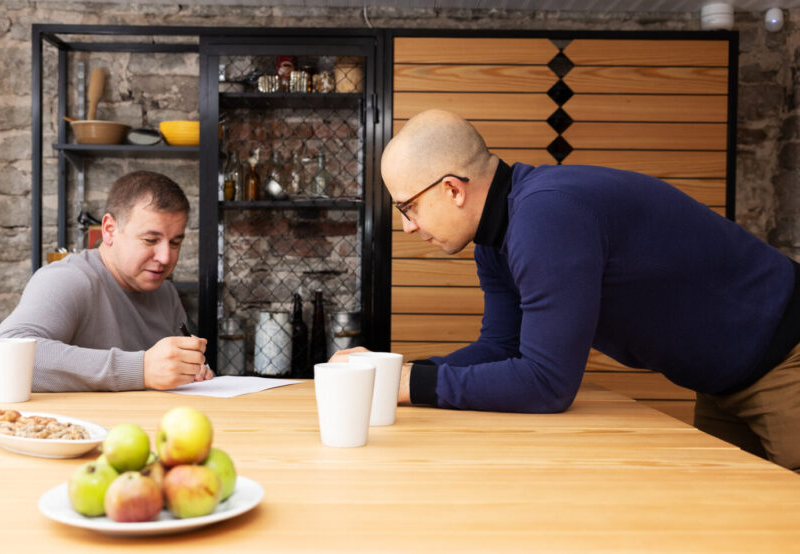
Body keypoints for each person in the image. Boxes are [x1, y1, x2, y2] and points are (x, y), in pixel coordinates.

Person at [332, 109, 800, 473]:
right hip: (721, 380)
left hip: (784, 360)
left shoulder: (546, 216)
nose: (408, 227)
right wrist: (395, 373)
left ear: (453, 189)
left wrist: (409, 385)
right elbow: (502, 347)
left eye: (408, 207)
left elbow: (548, 384)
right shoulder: (497, 240)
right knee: (731, 520)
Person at [0, 170, 212, 392]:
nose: (166, 257)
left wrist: (190, 371)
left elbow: (169, 373)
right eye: (150, 240)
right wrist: (140, 369)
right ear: (109, 230)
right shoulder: (67, 279)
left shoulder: (166, 293)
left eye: (175, 243)